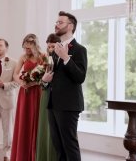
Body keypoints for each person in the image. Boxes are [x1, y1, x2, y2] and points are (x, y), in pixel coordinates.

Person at [41, 11, 88, 161]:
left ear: (70, 26)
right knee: (58, 146)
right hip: (53, 103)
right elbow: (54, 77)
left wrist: (66, 58)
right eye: (56, 22)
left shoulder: (80, 49)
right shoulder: (56, 49)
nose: (56, 25)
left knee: (70, 145)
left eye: (60, 22)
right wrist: (45, 80)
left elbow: (80, 77)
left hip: (69, 105)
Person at [11, 34, 42, 161]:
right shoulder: (23, 57)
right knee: (24, 119)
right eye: (25, 48)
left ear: (35, 45)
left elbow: (47, 73)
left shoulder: (43, 56)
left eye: (29, 48)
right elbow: (15, 74)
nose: (26, 50)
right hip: (25, 92)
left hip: (38, 91)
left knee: (38, 119)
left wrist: (35, 82)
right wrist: (21, 82)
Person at [36, 33, 61, 161]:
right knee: (45, 127)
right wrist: (44, 80)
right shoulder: (45, 60)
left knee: (58, 131)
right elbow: (42, 83)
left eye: (53, 47)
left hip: (59, 97)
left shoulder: (62, 59)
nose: (50, 49)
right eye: (49, 47)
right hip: (46, 96)